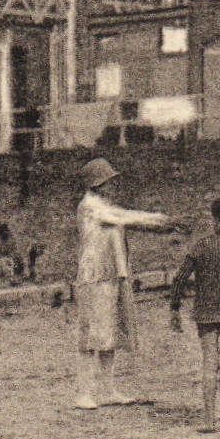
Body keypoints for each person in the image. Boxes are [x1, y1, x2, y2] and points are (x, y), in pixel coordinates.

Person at [73, 157, 177, 410]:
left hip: (114, 275)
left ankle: (107, 389)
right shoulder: (90, 206)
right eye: (110, 181)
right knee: (92, 335)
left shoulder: (104, 207)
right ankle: (84, 392)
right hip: (94, 276)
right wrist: (160, 219)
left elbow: (127, 220)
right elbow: (125, 217)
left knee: (111, 333)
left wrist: (161, 225)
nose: (113, 186)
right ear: (98, 184)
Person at [170, 196, 220, 433]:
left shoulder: (201, 246)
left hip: (205, 312)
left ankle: (209, 420)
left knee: (209, 364)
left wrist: (174, 308)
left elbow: (179, 278)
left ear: (214, 219)